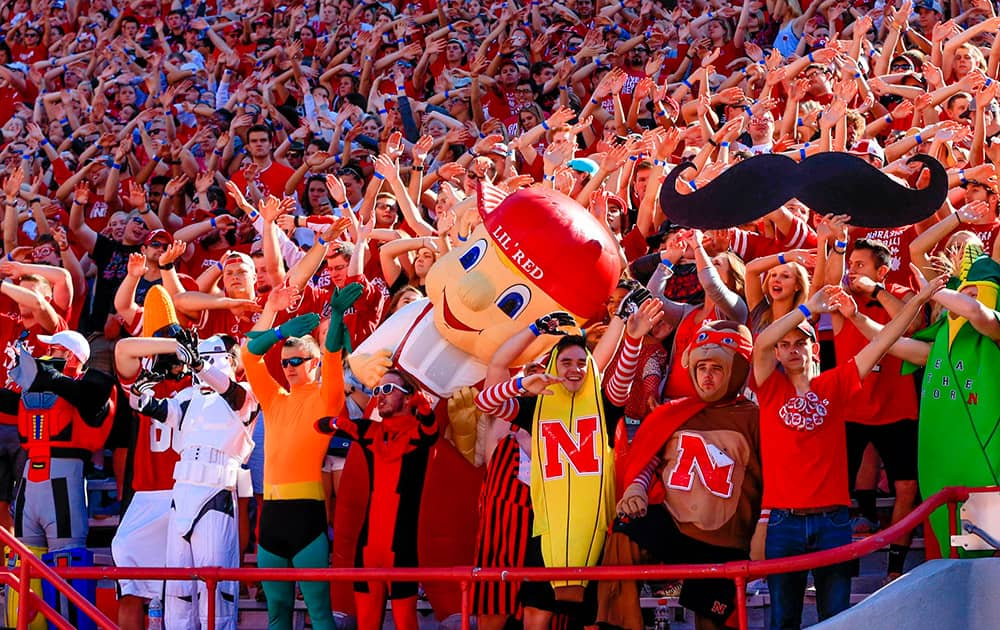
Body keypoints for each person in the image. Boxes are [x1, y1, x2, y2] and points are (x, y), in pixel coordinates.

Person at [750, 277, 942, 629]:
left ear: (815, 350)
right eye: (785, 344)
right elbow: (760, 342)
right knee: (783, 620)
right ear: (778, 353)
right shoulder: (769, 387)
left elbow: (883, 341)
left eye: (801, 342)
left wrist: (919, 301)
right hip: (783, 522)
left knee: (836, 620)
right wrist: (809, 309)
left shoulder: (834, 384)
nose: (792, 349)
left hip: (833, 521)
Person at [474, 299, 660, 630]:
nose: (574, 368)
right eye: (565, 362)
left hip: (594, 531)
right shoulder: (535, 409)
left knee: (591, 619)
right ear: (553, 368)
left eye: (580, 362)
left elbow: (621, 376)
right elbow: (484, 401)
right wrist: (520, 385)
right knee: (536, 614)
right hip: (547, 531)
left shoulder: (604, 403)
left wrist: (630, 338)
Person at [600, 321, 760, 630]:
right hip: (673, 527)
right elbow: (648, 457)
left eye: (716, 367)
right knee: (625, 529)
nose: (707, 375)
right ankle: (621, 625)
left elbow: (772, 477)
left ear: (737, 369)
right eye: (701, 367)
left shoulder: (755, 417)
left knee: (712, 619)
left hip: (723, 540)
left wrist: (763, 529)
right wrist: (636, 488)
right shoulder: (673, 411)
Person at [240, 282, 360, 630]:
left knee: (319, 614)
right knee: (277, 614)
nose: (290, 367)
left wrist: (336, 316)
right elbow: (249, 355)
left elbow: (334, 355)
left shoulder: (326, 398)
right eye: (286, 362)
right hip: (272, 517)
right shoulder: (274, 397)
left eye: (297, 361)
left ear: (314, 362)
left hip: (306, 517)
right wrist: (277, 330)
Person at [128, 332, 258, 630]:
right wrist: (140, 390)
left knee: (215, 590)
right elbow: (151, 407)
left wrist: (199, 366)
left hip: (216, 491)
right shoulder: (186, 397)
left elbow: (232, 395)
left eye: (208, 356)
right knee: (177, 590)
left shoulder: (245, 393)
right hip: (182, 492)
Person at [0, 330, 115, 629]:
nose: (46, 353)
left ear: (73, 355)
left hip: (65, 479)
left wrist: (45, 375)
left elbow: (92, 398)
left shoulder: (90, 385)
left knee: (67, 562)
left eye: (55, 349)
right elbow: (8, 402)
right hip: (29, 480)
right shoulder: (34, 390)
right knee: (23, 561)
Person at [316, 369, 437, 630]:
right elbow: (320, 425)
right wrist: (338, 424)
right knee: (367, 624)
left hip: (401, 548)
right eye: (377, 390)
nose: (380, 396)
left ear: (408, 399)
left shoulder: (418, 435)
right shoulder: (370, 431)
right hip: (368, 548)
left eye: (388, 390)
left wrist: (423, 405)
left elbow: (431, 430)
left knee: (406, 623)